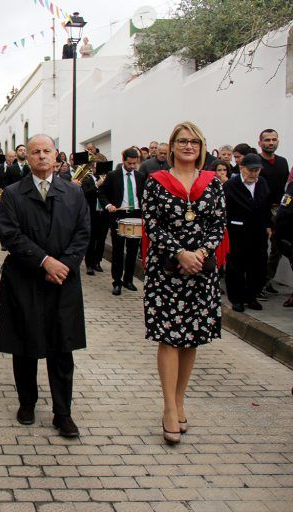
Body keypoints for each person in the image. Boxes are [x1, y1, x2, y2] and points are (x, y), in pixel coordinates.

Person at [0, 134, 89, 437]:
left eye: (47, 151)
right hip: (26, 279)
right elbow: (10, 235)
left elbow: (83, 233)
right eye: (35, 152)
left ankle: (63, 412)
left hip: (63, 281)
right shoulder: (12, 193)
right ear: (27, 157)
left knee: (62, 349)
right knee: (25, 345)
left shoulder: (73, 193)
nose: (41, 156)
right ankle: (27, 402)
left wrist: (64, 265)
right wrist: (45, 261)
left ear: (56, 155)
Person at [141, 121, 227, 445]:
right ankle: (167, 407)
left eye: (194, 141)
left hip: (201, 270)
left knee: (191, 338)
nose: (188, 146)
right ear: (172, 146)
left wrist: (201, 253)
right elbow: (152, 224)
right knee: (169, 337)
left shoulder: (212, 183)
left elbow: (218, 223)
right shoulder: (156, 182)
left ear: (201, 146)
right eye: (182, 141)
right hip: (166, 269)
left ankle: (180, 401)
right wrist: (180, 253)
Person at [223, 153, 272, 312]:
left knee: (258, 267)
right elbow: (225, 209)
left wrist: (268, 225)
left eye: (257, 170)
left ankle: (251, 296)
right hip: (238, 233)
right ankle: (237, 299)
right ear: (242, 168)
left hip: (258, 232)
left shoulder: (262, 183)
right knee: (236, 267)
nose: (254, 173)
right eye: (251, 170)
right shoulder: (231, 185)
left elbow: (266, 206)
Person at [102, 147, 145, 295]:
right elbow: (101, 192)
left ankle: (128, 280)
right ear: (123, 160)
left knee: (133, 251)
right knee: (118, 251)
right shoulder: (113, 175)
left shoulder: (140, 176)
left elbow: (144, 196)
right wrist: (108, 205)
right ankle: (117, 282)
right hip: (119, 215)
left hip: (136, 214)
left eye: (135, 163)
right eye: (130, 163)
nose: (132, 166)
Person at [257, 129, 290, 296]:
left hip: (280, 211)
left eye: (274, 139)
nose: (271, 143)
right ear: (260, 143)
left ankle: (266, 281)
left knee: (277, 249)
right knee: (261, 250)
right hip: (261, 211)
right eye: (267, 140)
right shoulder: (257, 163)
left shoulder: (283, 162)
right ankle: (257, 285)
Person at [81, 163, 108, 275]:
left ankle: (97, 262)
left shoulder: (106, 180)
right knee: (91, 240)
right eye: (96, 167)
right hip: (92, 214)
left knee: (101, 240)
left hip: (103, 214)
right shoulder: (87, 180)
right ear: (92, 168)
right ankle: (89, 264)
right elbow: (84, 194)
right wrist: (97, 185)